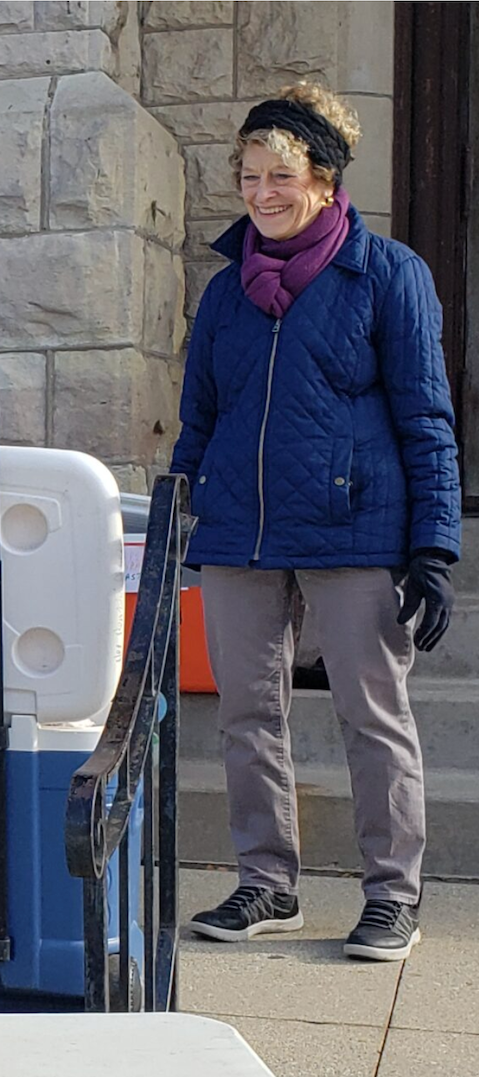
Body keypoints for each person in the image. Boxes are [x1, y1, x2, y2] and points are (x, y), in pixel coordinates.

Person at [171, 83, 459, 962]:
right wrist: (180, 503)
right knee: (247, 716)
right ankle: (268, 882)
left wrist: (434, 546)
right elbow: (198, 419)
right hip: (240, 536)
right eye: (250, 175)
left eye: (281, 175)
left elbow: (426, 416)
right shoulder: (226, 293)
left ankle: (391, 897)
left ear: (326, 182)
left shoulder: (389, 274)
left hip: (356, 530)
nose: (262, 193)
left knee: (373, 717)